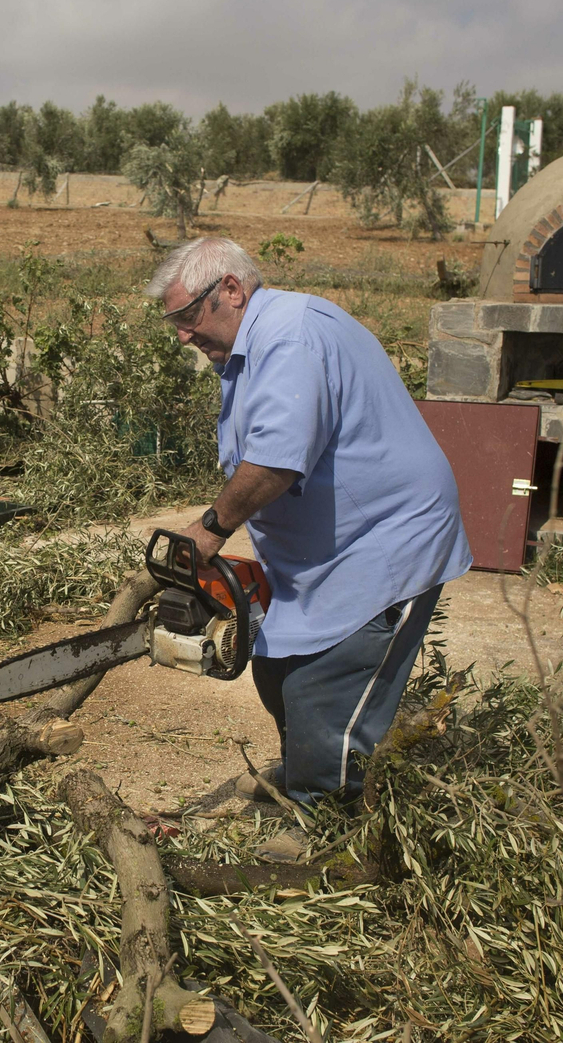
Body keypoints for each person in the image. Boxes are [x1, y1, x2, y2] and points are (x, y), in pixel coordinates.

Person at [148, 237, 471, 812]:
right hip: (321, 553)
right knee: (276, 667)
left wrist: (211, 529)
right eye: (173, 321)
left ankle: (328, 819)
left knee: (327, 684)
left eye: (188, 316)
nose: (183, 335)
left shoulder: (291, 334)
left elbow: (274, 460)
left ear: (230, 289)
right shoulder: (251, 344)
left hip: (383, 542)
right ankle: (307, 769)